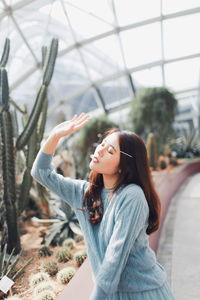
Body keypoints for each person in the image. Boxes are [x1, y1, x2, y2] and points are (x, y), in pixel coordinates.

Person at [31, 112, 176, 300]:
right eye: (102, 144)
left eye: (110, 151)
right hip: (110, 294)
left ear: (123, 166)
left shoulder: (132, 196)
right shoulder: (85, 193)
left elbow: (115, 257)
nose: (99, 150)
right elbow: (40, 172)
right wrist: (55, 136)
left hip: (143, 293)